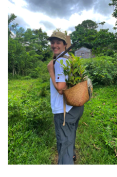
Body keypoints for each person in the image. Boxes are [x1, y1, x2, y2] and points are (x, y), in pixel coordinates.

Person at [47, 30, 82, 164]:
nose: (54, 45)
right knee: (70, 136)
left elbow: (61, 88)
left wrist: (51, 70)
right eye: (52, 42)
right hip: (76, 107)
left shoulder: (60, 62)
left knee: (64, 143)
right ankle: (72, 155)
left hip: (64, 111)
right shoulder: (70, 58)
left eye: (58, 42)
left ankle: (67, 161)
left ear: (64, 44)